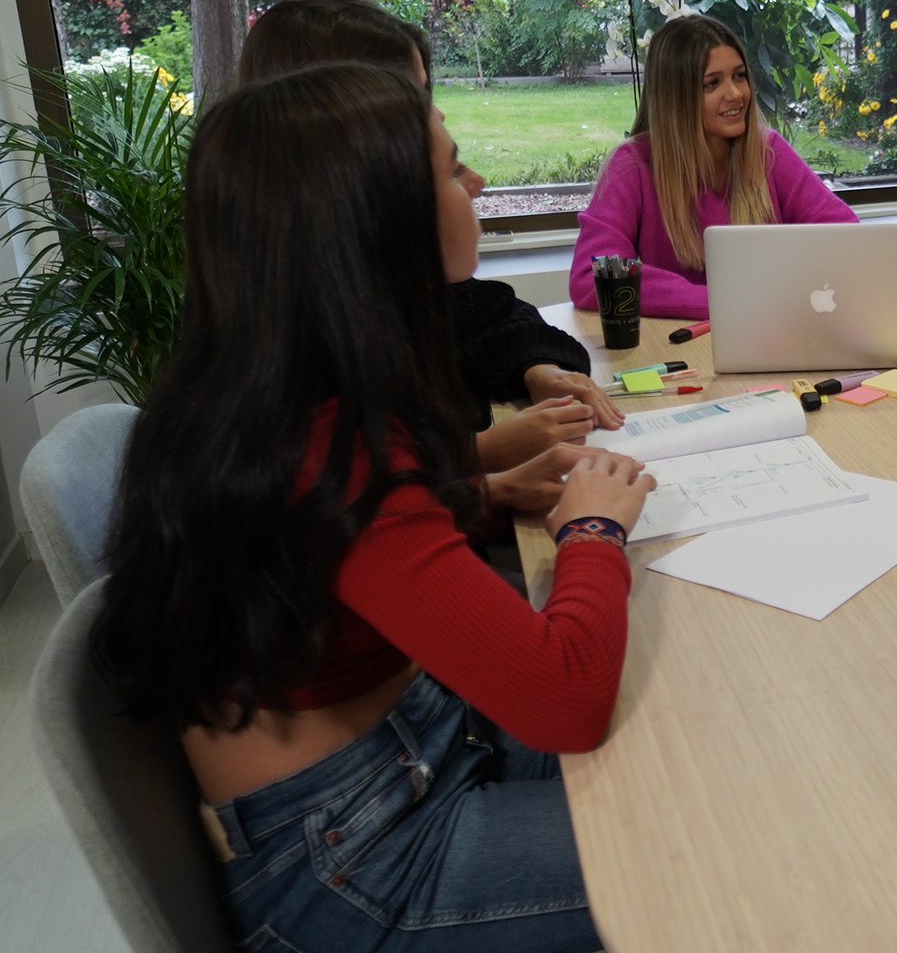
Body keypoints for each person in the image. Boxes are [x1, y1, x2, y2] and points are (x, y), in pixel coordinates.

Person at [92, 62, 655, 951]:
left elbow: (341, 553)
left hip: (397, 758)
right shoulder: (340, 452)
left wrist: (485, 493)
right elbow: (564, 700)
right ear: (376, 226)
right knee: (699, 842)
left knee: (686, 752)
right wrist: (593, 527)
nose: (476, 184)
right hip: (357, 861)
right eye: (453, 167)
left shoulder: (256, 395)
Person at [239, 0, 623, 474]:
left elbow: (489, 321)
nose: (475, 183)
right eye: (409, 95)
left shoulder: (366, 292)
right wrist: (472, 461)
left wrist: (535, 371)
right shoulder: (299, 356)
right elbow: (356, 497)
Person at [571, 14, 857, 318]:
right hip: (677, 344)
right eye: (712, 84)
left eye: (739, 76)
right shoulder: (632, 166)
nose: (735, 94)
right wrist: (726, 303)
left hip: (767, 332)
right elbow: (593, 278)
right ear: (676, 98)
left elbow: (847, 241)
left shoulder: (768, 152)